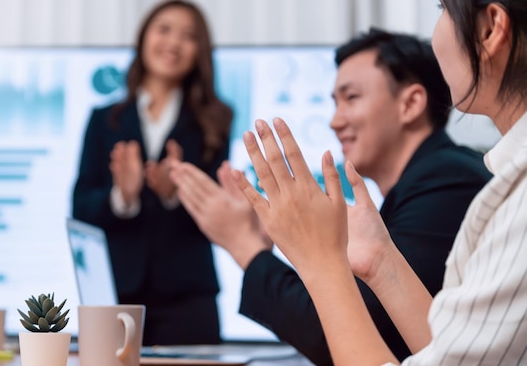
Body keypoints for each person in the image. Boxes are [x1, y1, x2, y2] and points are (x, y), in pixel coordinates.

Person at [230, 0, 527, 364]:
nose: (335, 121)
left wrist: (319, 258)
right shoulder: (500, 179)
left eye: (445, 8)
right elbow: (449, 352)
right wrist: (380, 262)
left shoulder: (474, 188)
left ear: (491, 28)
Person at [170, 29, 492, 364]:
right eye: (334, 103)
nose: (335, 121)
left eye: (351, 98)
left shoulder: (447, 182)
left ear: (410, 103)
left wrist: (245, 246)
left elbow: (341, 336)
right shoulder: (430, 179)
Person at [72, 0, 233, 345]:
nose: (173, 43)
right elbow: (80, 207)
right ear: (144, 37)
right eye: (164, 29)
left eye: (188, 35)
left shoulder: (214, 122)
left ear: (199, 51)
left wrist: (175, 197)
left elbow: (221, 215)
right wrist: (122, 197)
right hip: (115, 297)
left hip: (189, 299)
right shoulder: (105, 121)